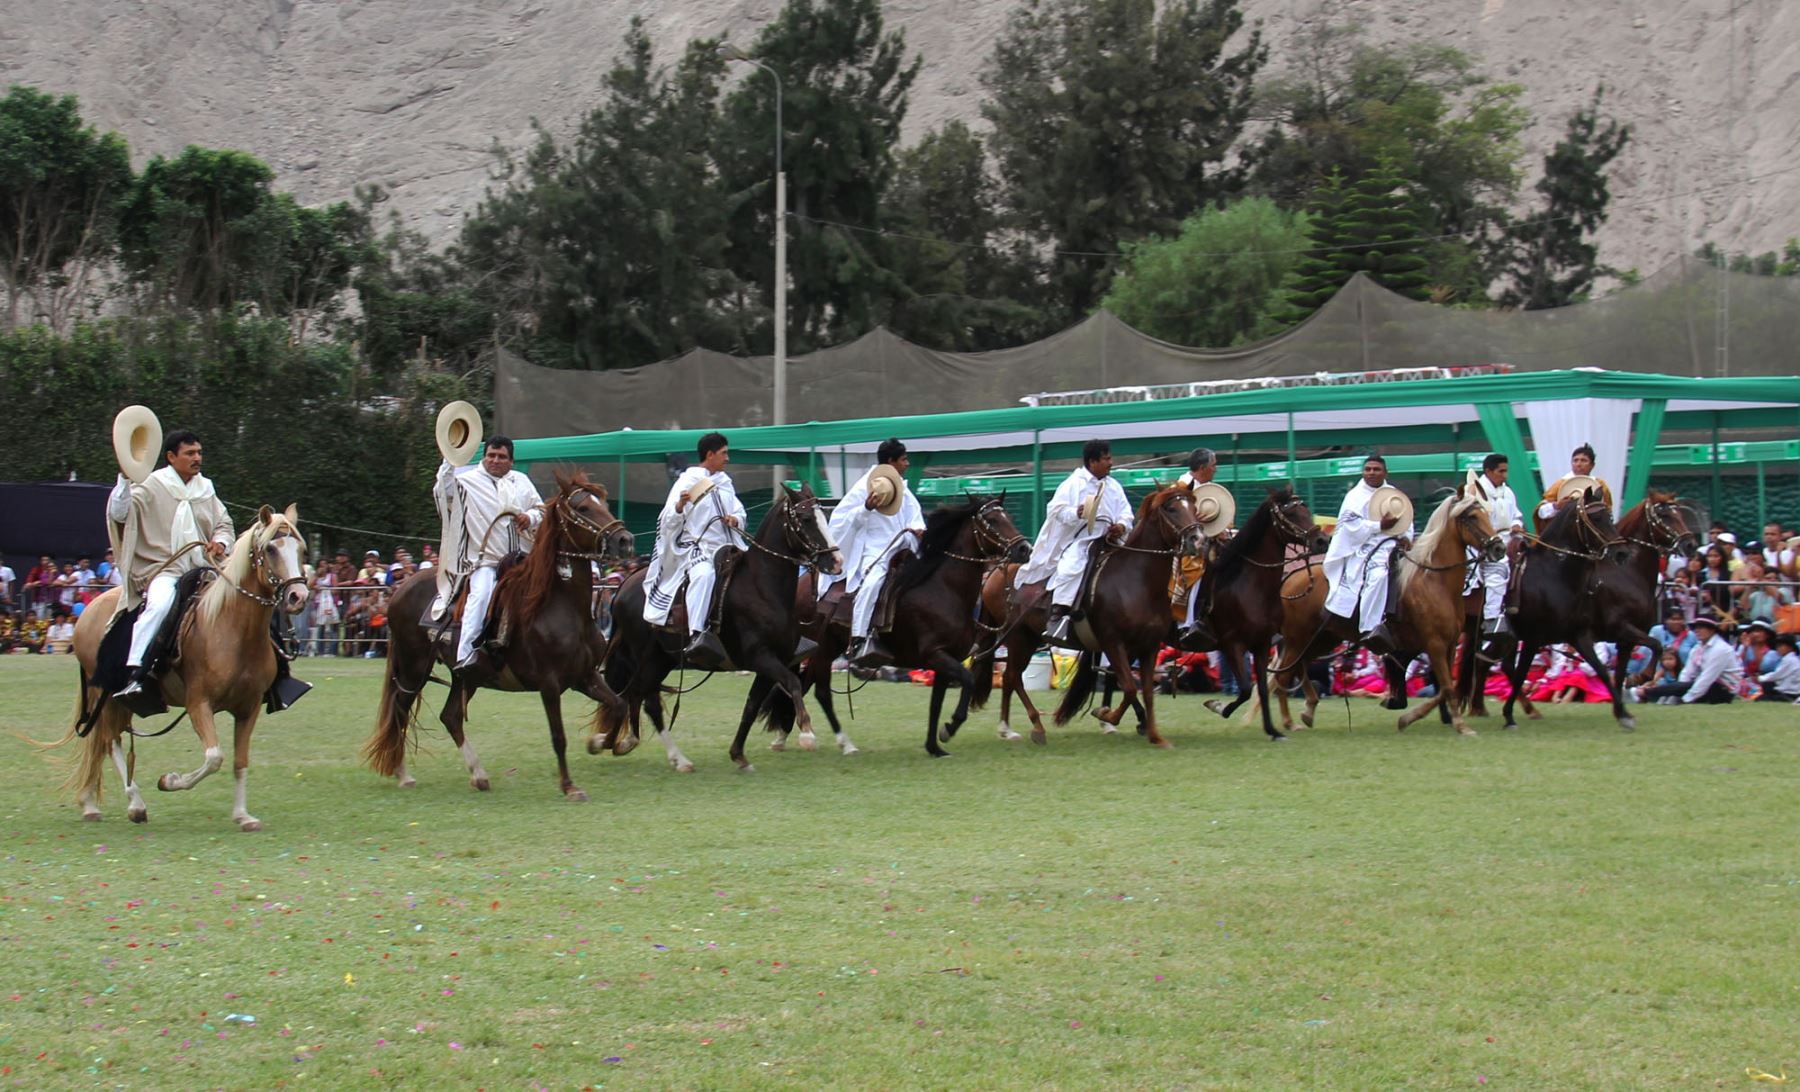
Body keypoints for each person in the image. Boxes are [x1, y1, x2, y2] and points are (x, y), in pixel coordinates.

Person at [107, 428, 236, 703]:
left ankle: (276, 674)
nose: (197, 458)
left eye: (199, 452)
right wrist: (124, 479)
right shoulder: (150, 485)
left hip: (204, 568)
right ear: (170, 456)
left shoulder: (206, 489)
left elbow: (224, 524)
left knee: (247, 595)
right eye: (190, 453)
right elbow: (120, 514)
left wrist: (221, 543)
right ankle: (136, 672)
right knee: (161, 605)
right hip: (164, 569)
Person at [433, 435, 545, 670]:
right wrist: (450, 459)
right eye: (491, 456)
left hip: (522, 560)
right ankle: (465, 655)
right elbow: (443, 492)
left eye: (501, 457)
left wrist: (530, 517)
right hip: (486, 561)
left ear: (511, 461)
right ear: (484, 457)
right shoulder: (467, 481)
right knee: (481, 594)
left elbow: (541, 510)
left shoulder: (521, 481)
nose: (495, 460)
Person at [1015, 439, 1133, 648]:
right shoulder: (1073, 484)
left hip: (1112, 540)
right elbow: (1055, 510)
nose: (1111, 462)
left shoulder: (1113, 486)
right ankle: (1058, 616)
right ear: (1092, 461)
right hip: (1083, 539)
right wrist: (1075, 513)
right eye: (1106, 459)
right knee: (1071, 567)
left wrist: (1122, 525)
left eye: (1110, 458)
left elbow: (1126, 512)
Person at [642, 432, 746, 666]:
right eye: (724, 454)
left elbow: (740, 510)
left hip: (728, 546)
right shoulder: (688, 482)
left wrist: (735, 519)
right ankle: (697, 634)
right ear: (710, 455)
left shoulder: (725, 483)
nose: (727, 458)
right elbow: (667, 519)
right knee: (704, 574)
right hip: (698, 547)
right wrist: (680, 506)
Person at [821, 438, 925, 668]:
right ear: (891, 461)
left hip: (904, 547)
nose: (907, 464)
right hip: (874, 550)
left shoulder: (903, 489)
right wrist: (865, 509)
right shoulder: (862, 488)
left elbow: (915, 517)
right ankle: (858, 639)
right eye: (904, 459)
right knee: (872, 583)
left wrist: (919, 531)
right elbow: (840, 522)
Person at [1322, 454, 1405, 654]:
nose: (1371, 473)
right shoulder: (1354, 496)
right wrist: (1379, 526)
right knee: (1378, 575)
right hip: (1363, 547)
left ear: (1385, 472)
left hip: (1392, 543)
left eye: (1376, 469)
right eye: (1367, 469)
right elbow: (1350, 527)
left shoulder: (1393, 493)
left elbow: (1406, 519)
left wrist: (1406, 535)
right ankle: (1370, 626)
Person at [1632, 614, 1739, 705]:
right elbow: (1687, 672)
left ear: (1711, 630)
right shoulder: (1698, 648)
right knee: (1684, 686)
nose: (1697, 631)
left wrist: (1686, 698)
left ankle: (1642, 693)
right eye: (1696, 628)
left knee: (1700, 685)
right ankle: (1650, 695)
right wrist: (1679, 690)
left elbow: (1708, 677)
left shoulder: (1721, 649)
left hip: (1724, 689)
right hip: (1705, 685)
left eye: (1701, 627)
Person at [1474, 453, 1524, 640]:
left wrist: (1517, 524)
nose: (1505, 475)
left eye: (1506, 471)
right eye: (1501, 471)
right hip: (1485, 544)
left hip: (1509, 540)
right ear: (1488, 471)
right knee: (1498, 571)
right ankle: (1491, 618)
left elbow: (1516, 515)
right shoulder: (1476, 492)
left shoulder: (1507, 492)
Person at [1175, 447, 1219, 647]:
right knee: (1195, 569)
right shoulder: (1181, 487)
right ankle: (1186, 622)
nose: (1215, 469)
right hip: (1185, 546)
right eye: (1213, 465)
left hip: (1209, 540)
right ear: (1202, 468)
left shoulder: (1209, 487)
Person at [1535, 443, 1614, 527]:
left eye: (1584, 460)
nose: (1578, 464)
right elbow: (1541, 512)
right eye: (1575, 460)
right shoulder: (1560, 484)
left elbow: (1608, 511)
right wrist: (1556, 506)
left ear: (1592, 465)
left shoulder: (1600, 485)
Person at [1755, 632, 1800, 701]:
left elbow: (1777, 675)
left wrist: (1759, 678)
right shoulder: (1790, 658)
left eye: (1781, 646)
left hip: (1789, 693)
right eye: (1777, 646)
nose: (1778, 648)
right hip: (1789, 691)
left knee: (1762, 695)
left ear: (1790, 647)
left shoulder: (1789, 660)